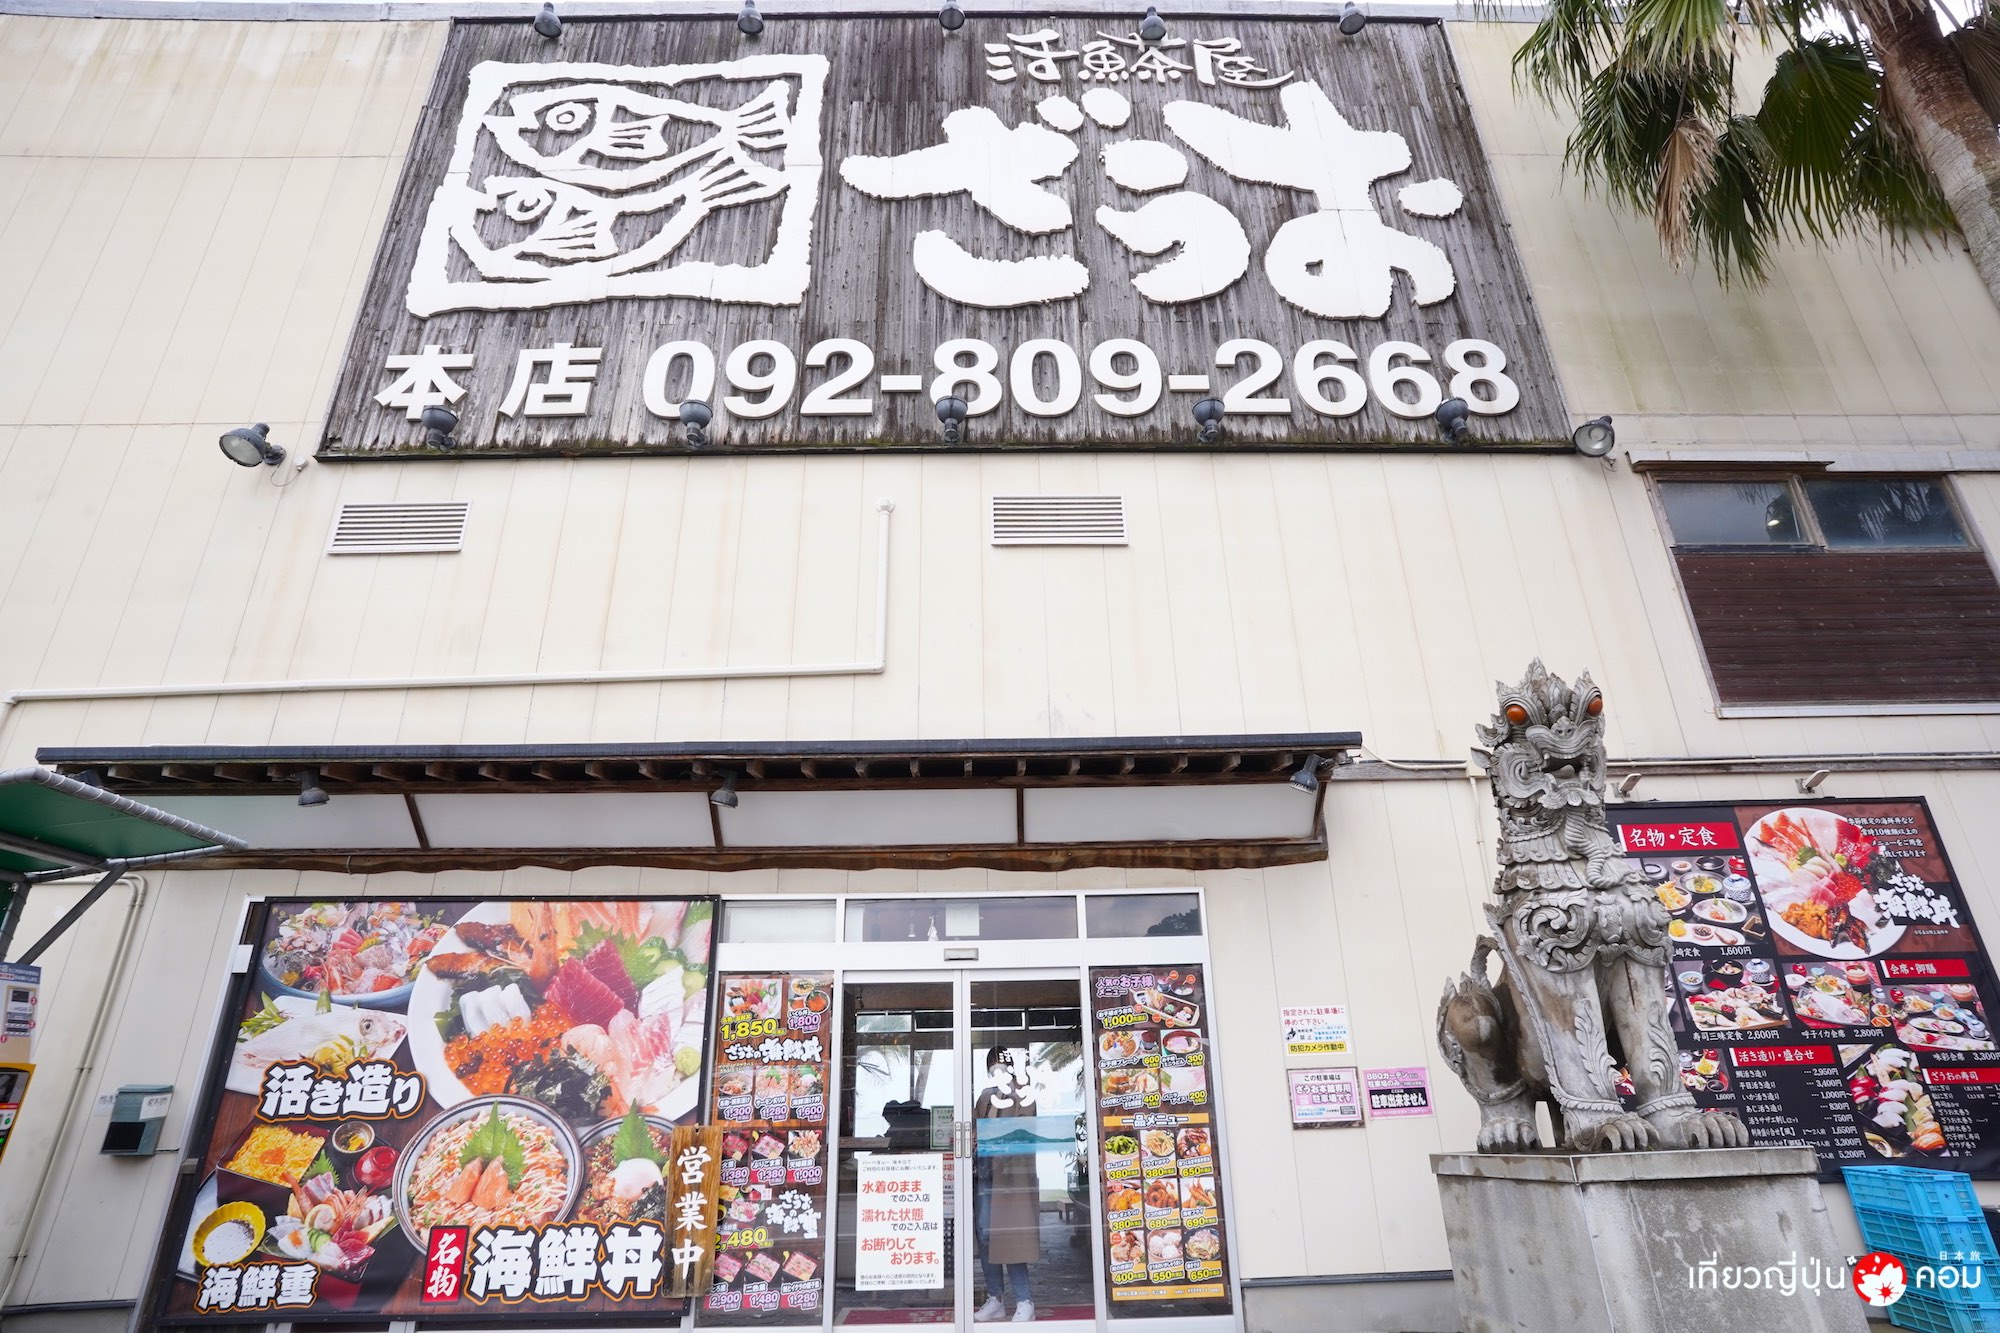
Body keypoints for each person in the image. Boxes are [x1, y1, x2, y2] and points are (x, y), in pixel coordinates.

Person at [973, 1046, 1039, 1322]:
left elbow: (1023, 1133)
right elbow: (973, 1130)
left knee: (1010, 1235)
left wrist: (992, 1141)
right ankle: (995, 1298)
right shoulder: (985, 1096)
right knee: (985, 1234)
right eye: (992, 1064)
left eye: (1001, 1063)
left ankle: (1025, 1300)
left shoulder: (1023, 1094)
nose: (996, 1068)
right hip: (984, 1173)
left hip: (1011, 1177)